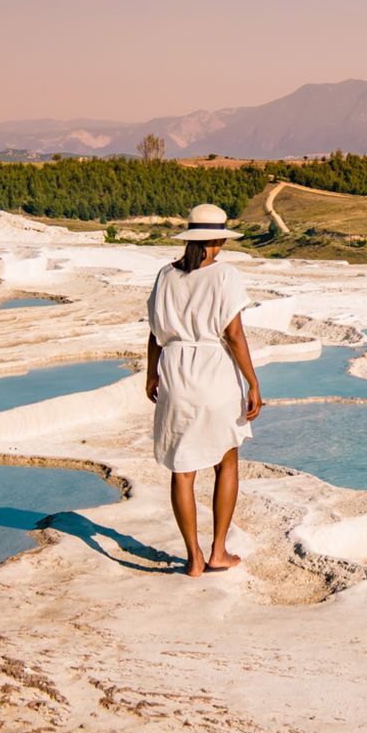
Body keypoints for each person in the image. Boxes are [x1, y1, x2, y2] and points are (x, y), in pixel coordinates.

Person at [145, 203, 262, 576]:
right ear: (220, 239)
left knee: (182, 469)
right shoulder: (225, 275)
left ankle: (193, 558)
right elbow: (234, 333)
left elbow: (155, 332)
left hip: (176, 373)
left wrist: (152, 375)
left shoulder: (166, 275)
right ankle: (218, 552)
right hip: (213, 373)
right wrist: (252, 382)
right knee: (226, 460)